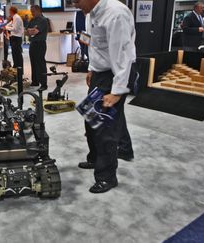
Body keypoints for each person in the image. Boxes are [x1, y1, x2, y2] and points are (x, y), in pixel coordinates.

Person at [73, 0, 136, 193]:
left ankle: (106, 177)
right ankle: (107, 154)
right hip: (100, 73)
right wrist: (92, 68)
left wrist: (117, 91)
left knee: (104, 127)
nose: (76, 5)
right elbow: (95, 45)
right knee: (90, 118)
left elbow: (123, 56)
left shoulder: (116, 14)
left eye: (77, 0)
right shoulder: (92, 11)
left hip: (115, 74)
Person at [26, 5, 48, 91]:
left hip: (40, 43)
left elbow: (35, 31)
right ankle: (35, 81)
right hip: (33, 43)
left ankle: (44, 83)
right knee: (33, 63)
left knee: (40, 64)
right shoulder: (32, 20)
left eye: (33, 11)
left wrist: (32, 31)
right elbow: (27, 32)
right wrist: (31, 31)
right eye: (31, 11)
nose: (32, 13)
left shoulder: (43, 20)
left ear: (38, 10)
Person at [5, 6, 24, 72]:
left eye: (9, 11)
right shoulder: (14, 17)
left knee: (17, 54)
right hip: (14, 38)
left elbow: (14, 28)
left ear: (11, 11)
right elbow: (8, 25)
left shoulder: (17, 18)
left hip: (16, 38)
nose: (9, 12)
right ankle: (16, 68)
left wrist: (6, 28)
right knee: (14, 54)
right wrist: (5, 27)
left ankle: (20, 70)